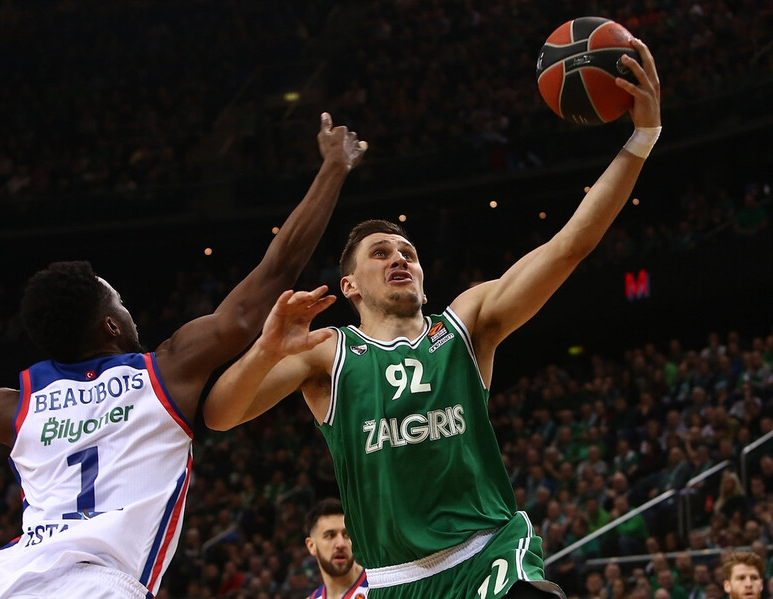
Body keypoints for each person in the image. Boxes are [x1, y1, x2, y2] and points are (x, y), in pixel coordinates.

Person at [0, 113, 368, 599]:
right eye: (121, 303)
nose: (130, 312)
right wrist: (332, 170)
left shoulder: (14, 406)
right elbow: (272, 275)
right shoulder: (163, 371)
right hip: (102, 587)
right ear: (110, 324)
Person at [203, 38, 661, 599]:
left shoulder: (466, 324)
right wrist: (266, 350)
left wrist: (642, 137)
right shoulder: (328, 353)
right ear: (349, 286)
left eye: (409, 253)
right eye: (380, 253)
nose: (399, 258)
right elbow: (220, 415)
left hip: (488, 552)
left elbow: (568, 246)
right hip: (395, 581)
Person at [305, 498, 368, 599]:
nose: (341, 544)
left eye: (347, 535)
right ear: (311, 546)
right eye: (330, 535)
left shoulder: (379, 589)